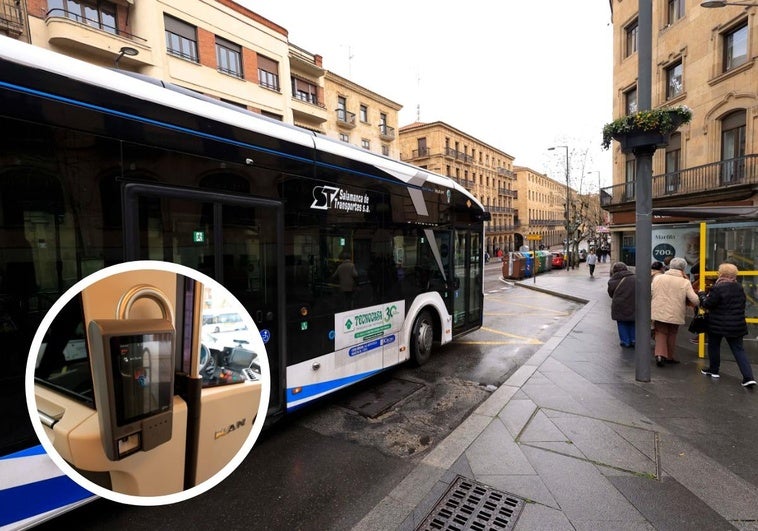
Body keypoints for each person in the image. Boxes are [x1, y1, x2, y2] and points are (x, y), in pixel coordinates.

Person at [699, 263, 756, 387]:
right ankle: (748, 377)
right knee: (739, 349)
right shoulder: (739, 287)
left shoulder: (718, 288)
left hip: (717, 324)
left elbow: (708, 304)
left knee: (714, 346)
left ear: (721, 273)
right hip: (736, 324)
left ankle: (714, 370)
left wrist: (702, 295)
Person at [651, 257, 700, 367]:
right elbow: (694, 300)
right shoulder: (685, 281)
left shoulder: (658, 278)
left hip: (659, 310)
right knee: (672, 334)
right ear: (683, 268)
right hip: (676, 312)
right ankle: (669, 356)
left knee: (660, 333)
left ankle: (659, 355)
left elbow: (651, 292)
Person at [608, 262, 636, 348]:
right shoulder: (635, 278)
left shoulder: (612, 281)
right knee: (633, 321)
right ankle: (634, 339)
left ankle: (625, 341)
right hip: (633, 303)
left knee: (622, 323)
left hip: (619, 304)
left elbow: (611, 293)